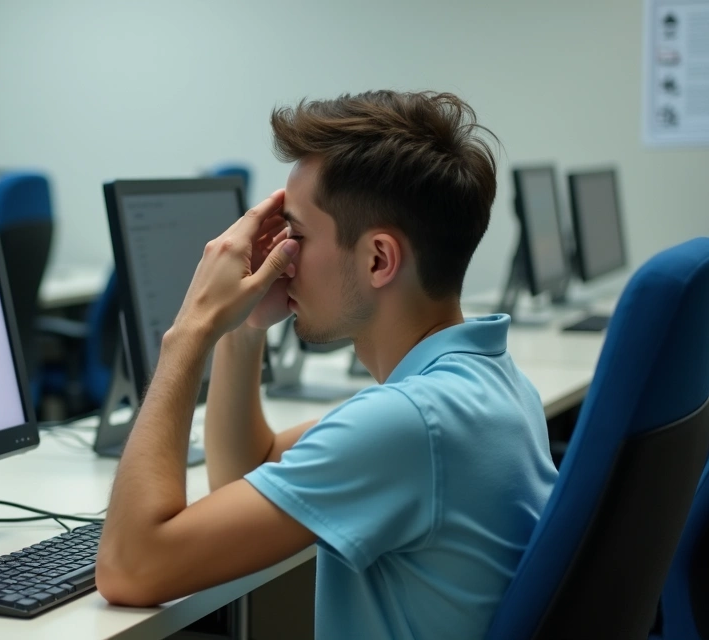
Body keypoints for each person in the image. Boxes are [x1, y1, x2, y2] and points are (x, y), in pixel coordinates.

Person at [95, 90, 558, 639]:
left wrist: (189, 333)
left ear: (378, 259)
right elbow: (250, 473)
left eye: (298, 236)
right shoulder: (482, 384)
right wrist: (241, 328)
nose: (280, 259)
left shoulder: (408, 425)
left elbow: (130, 567)